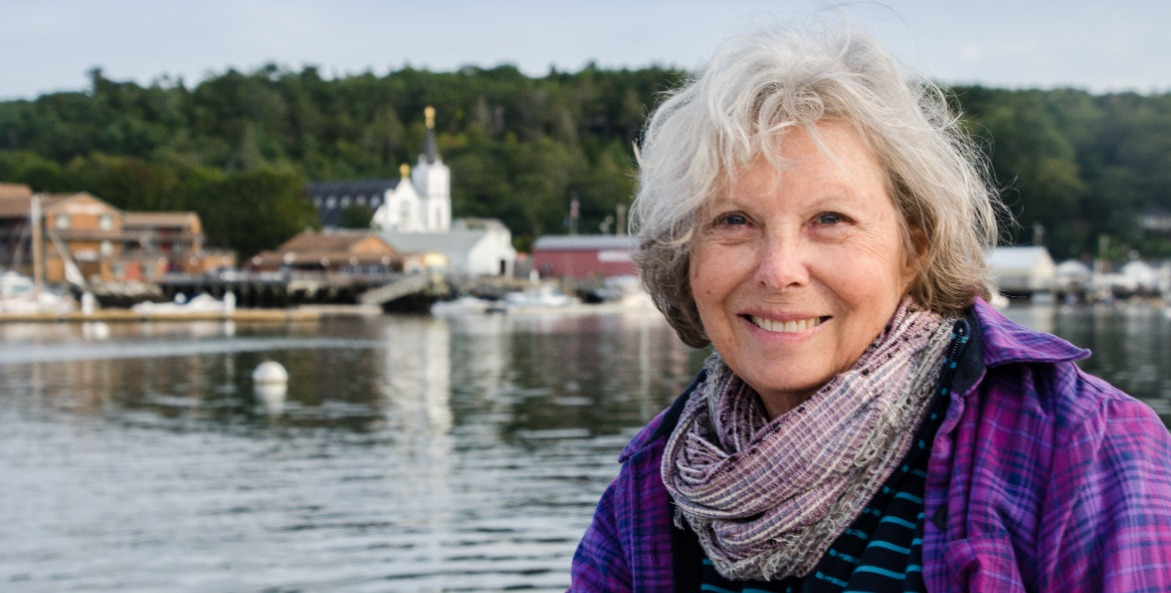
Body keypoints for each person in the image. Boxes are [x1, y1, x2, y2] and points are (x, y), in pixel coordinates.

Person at [568, 21, 1171, 593]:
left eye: (830, 220)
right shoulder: (652, 489)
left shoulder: (1083, 448)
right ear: (685, 256)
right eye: (734, 221)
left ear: (914, 246)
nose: (779, 270)